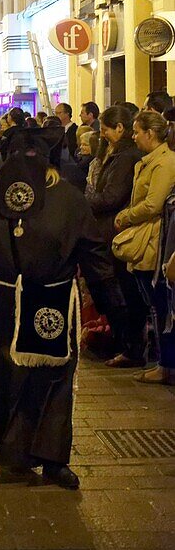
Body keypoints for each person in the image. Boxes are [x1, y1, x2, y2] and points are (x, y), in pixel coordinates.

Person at [0, 129, 126, 490]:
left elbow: (92, 251)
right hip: (3, 300)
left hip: (52, 299)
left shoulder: (69, 199)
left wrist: (114, 306)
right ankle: (12, 452)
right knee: (4, 374)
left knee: (53, 379)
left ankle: (53, 457)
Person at [112, 110, 175, 377]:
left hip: (156, 240)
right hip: (146, 235)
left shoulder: (164, 163)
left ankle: (165, 364)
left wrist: (124, 216)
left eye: (137, 132)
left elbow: (152, 204)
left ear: (151, 133)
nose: (134, 137)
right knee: (152, 303)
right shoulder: (146, 162)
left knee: (160, 304)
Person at [85, 106, 143, 368]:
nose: (103, 134)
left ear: (120, 128)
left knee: (118, 290)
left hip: (115, 231)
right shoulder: (116, 154)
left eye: (106, 129)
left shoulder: (125, 158)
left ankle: (128, 345)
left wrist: (86, 201)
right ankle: (122, 342)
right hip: (108, 229)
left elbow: (112, 196)